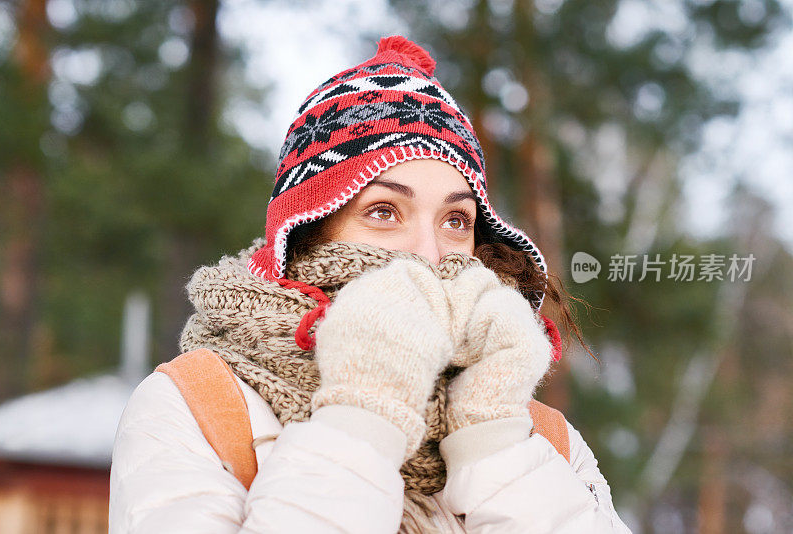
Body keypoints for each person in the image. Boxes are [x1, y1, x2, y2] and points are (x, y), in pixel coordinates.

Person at [108, 35, 632, 533]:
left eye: (455, 221)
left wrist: (494, 439)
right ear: (308, 229)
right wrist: (365, 413)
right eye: (384, 211)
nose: (428, 254)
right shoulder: (198, 406)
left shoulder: (541, 438)